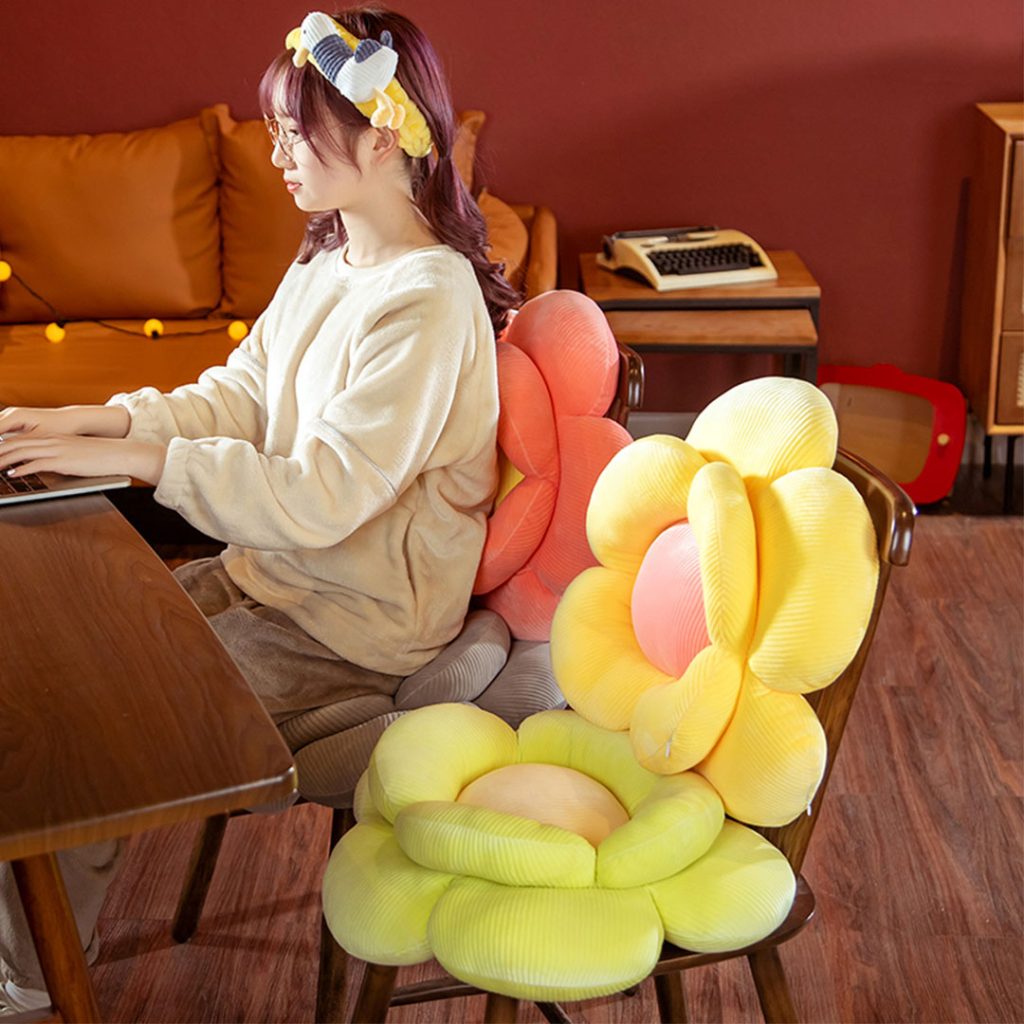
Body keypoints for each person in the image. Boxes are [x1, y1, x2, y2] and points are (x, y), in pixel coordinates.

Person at [0, 7, 515, 1012]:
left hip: (348, 629)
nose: (275, 153)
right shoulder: (329, 259)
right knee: (52, 668)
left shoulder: (426, 300)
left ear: (380, 139)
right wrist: (95, 419)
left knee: (94, 724)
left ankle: (26, 981)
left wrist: (143, 461)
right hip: (268, 583)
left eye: (293, 132)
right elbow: (238, 395)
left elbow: (324, 495)